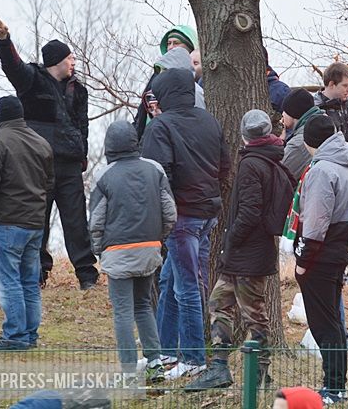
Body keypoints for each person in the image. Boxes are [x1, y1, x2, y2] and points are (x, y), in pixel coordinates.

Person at [185, 110, 295, 391]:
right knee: (218, 303)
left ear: (245, 135)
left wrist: (229, 240)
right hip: (245, 256)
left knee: (253, 315)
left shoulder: (252, 164)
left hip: (248, 255)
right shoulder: (270, 158)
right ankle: (220, 368)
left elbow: (249, 212)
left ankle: (259, 373)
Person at [0, 16, 98, 290]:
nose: (74, 63)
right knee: (38, 219)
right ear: (58, 61)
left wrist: (83, 155)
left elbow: (82, 127)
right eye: (70, 58)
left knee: (76, 221)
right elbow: (11, 66)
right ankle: (38, 273)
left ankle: (87, 275)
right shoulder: (32, 82)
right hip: (39, 166)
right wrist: (4, 40)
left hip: (70, 166)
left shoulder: (80, 91)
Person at [141, 68, 231, 379]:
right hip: (207, 213)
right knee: (170, 282)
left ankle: (193, 357)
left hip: (182, 218)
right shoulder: (209, 119)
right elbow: (225, 166)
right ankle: (167, 351)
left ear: (164, 94)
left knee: (187, 286)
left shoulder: (160, 127)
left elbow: (157, 176)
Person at [88, 121, 176, 384]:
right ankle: (155, 363)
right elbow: (169, 212)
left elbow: (96, 222)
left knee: (123, 312)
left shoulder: (105, 175)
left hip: (117, 252)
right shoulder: (155, 170)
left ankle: (127, 371)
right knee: (144, 307)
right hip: (150, 249)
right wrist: (160, 238)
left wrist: (97, 250)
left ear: (109, 146)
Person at [0, 96, 54, 350]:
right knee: (29, 281)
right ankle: (29, 335)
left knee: (8, 281)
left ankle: (15, 337)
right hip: (34, 224)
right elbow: (50, 183)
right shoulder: (42, 143)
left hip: (7, 222)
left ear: (0, 118)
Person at [292, 115, 348, 404]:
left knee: (324, 324)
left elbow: (316, 222)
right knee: (332, 320)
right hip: (339, 251)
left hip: (321, 255)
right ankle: (337, 383)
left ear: (311, 142)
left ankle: (333, 386)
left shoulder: (322, 170)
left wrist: (303, 259)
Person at [134, 45, 205, 141]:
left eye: (166, 70)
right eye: (161, 70)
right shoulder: (168, 92)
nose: (162, 75)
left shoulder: (195, 92)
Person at [281, 88, 324, 180]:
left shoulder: (299, 142)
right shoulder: (320, 127)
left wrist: (280, 142)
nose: (282, 114)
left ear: (293, 113)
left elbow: (279, 175)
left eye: (285, 111)